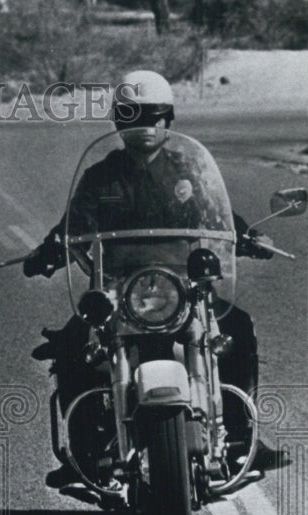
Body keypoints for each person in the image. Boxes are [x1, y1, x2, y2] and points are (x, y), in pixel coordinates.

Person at [23, 70, 274, 491]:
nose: (144, 125)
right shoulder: (100, 178)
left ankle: (240, 440)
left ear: (168, 119)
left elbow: (217, 215)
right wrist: (49, 249)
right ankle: (82, 453)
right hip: (119, 288)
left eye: (153, 116)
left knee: (237, 329)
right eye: (132, 115)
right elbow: (75, 223)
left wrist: (246, 235)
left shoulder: (188, 171)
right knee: (72, 343)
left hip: (182, 287)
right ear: (118, 123)